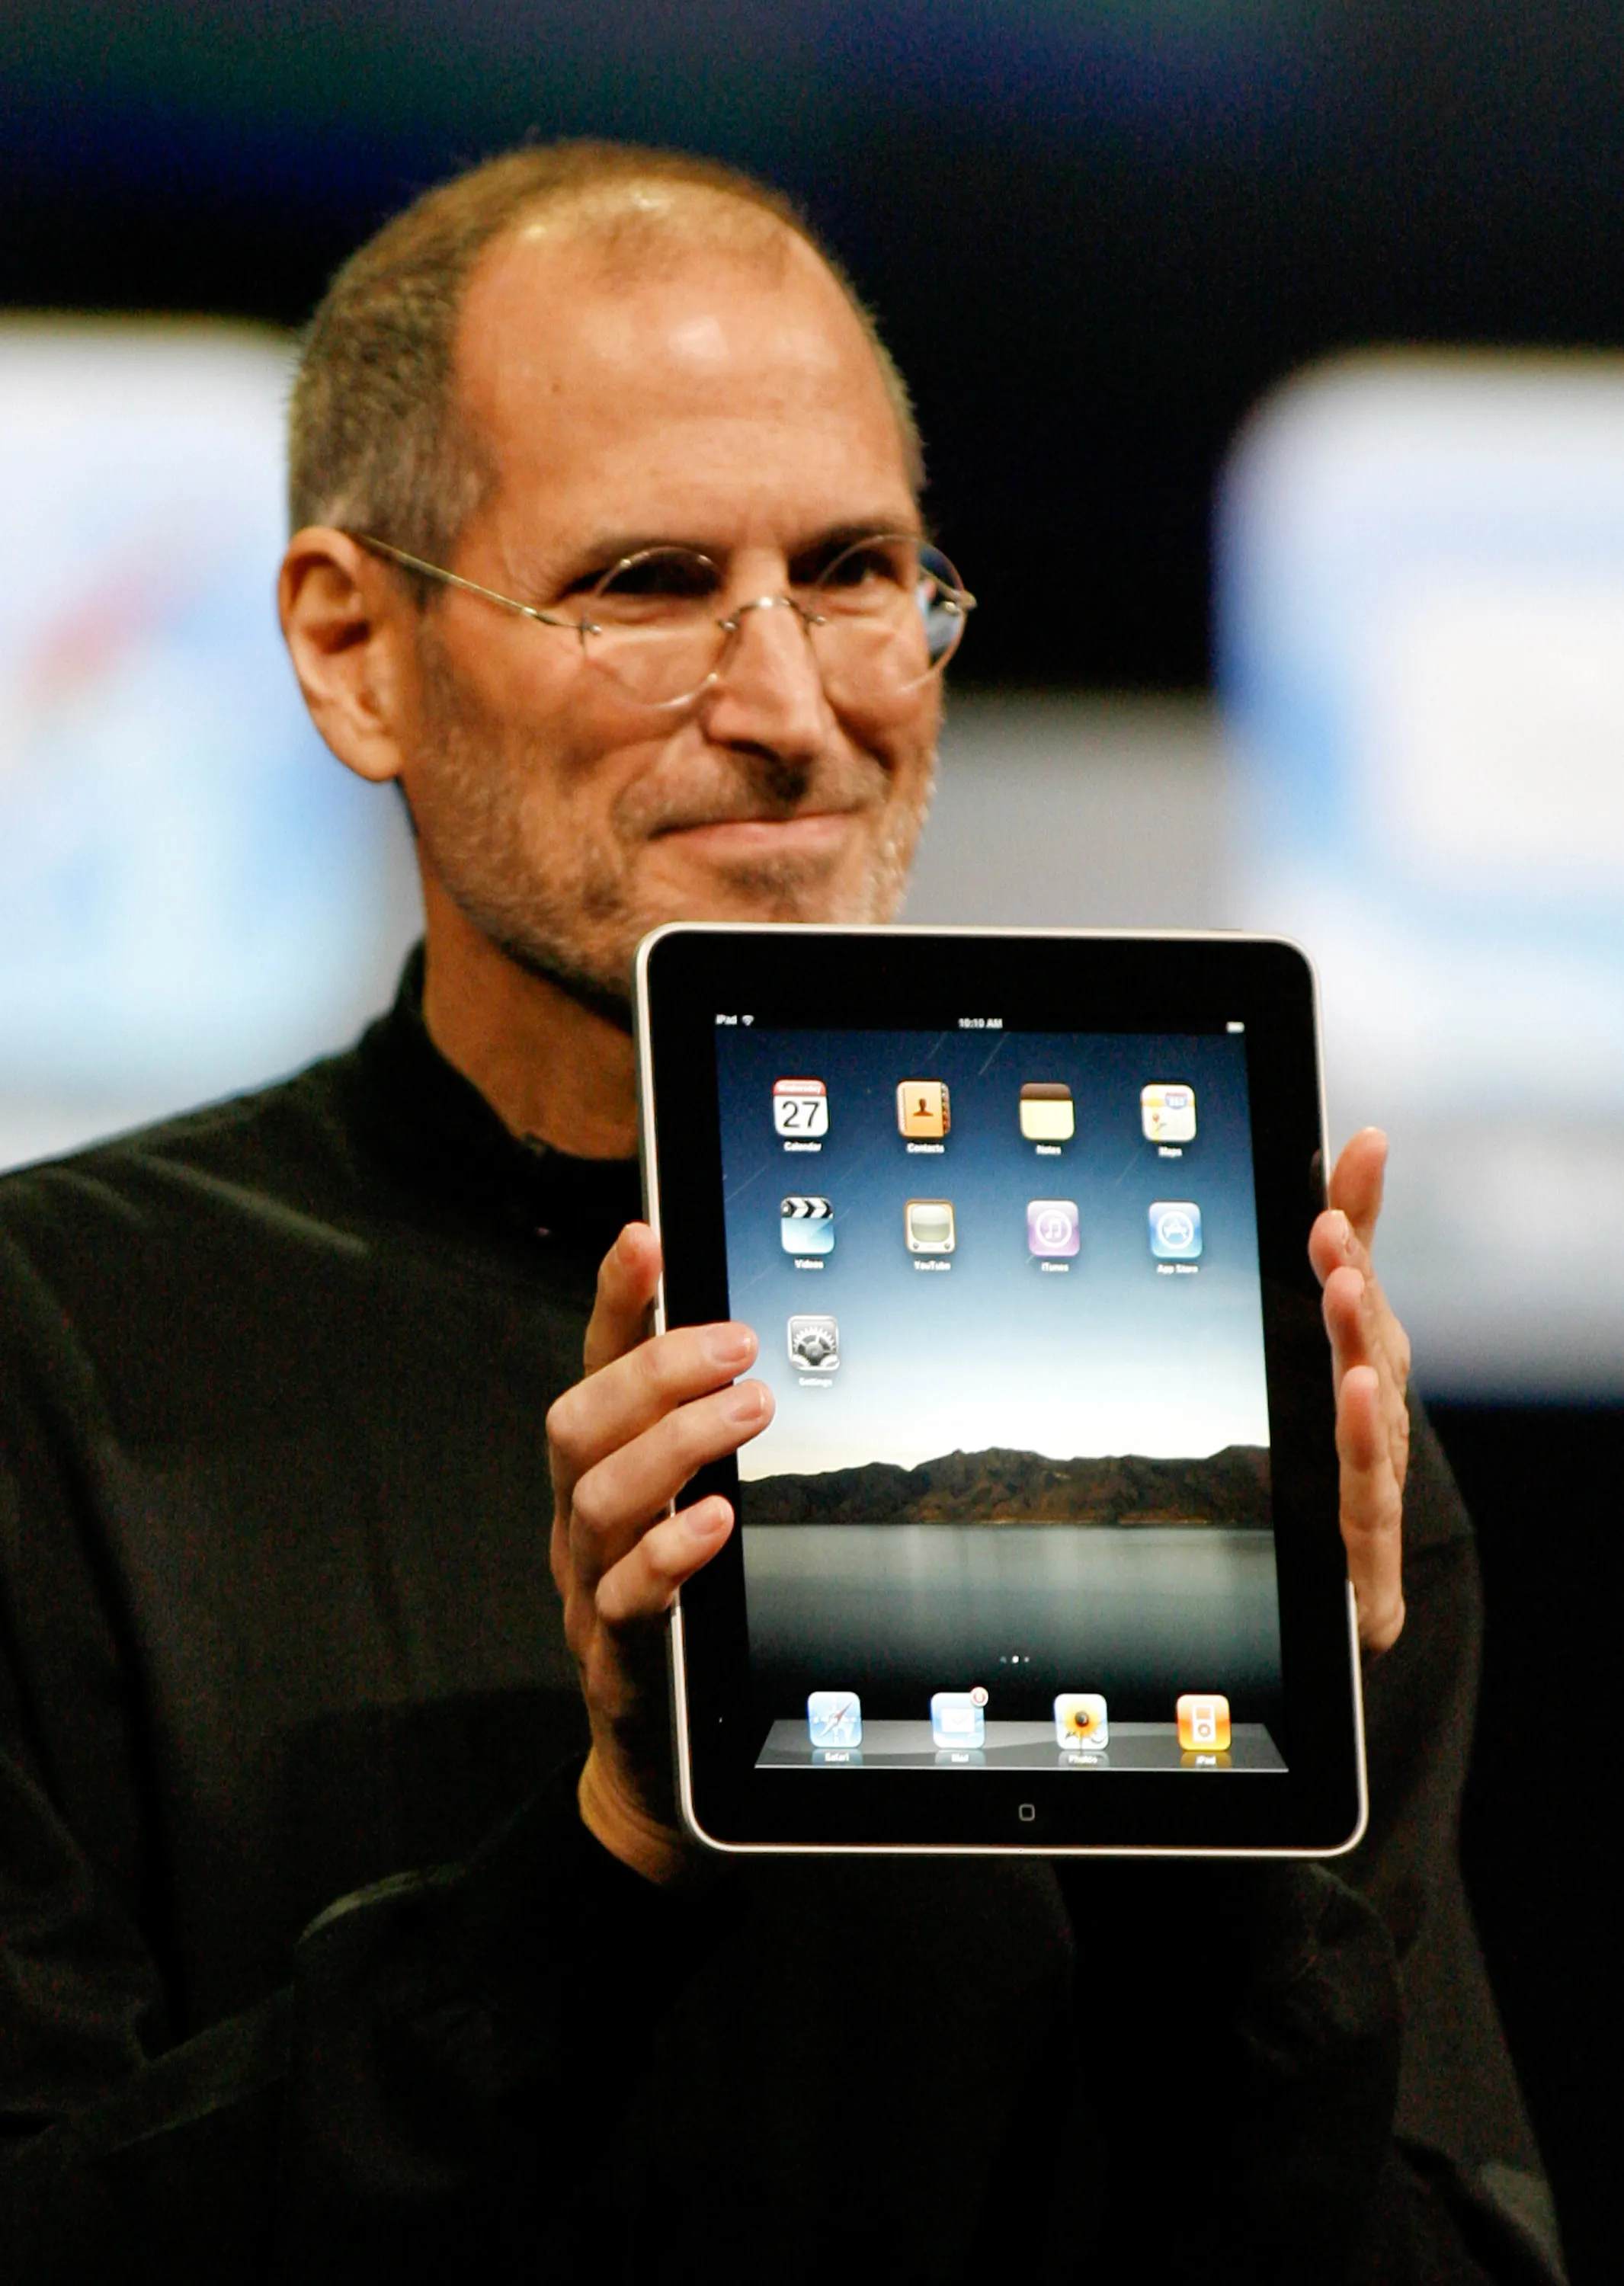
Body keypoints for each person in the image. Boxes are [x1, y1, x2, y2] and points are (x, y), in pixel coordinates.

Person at [0, 144, 1562, 2282]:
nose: (793, 706)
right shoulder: (54, 1360)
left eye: (854, 571)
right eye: (647, 584)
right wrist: (614, 1850)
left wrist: (1217, 1842)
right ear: (355, 648)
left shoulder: (1264, 1388)